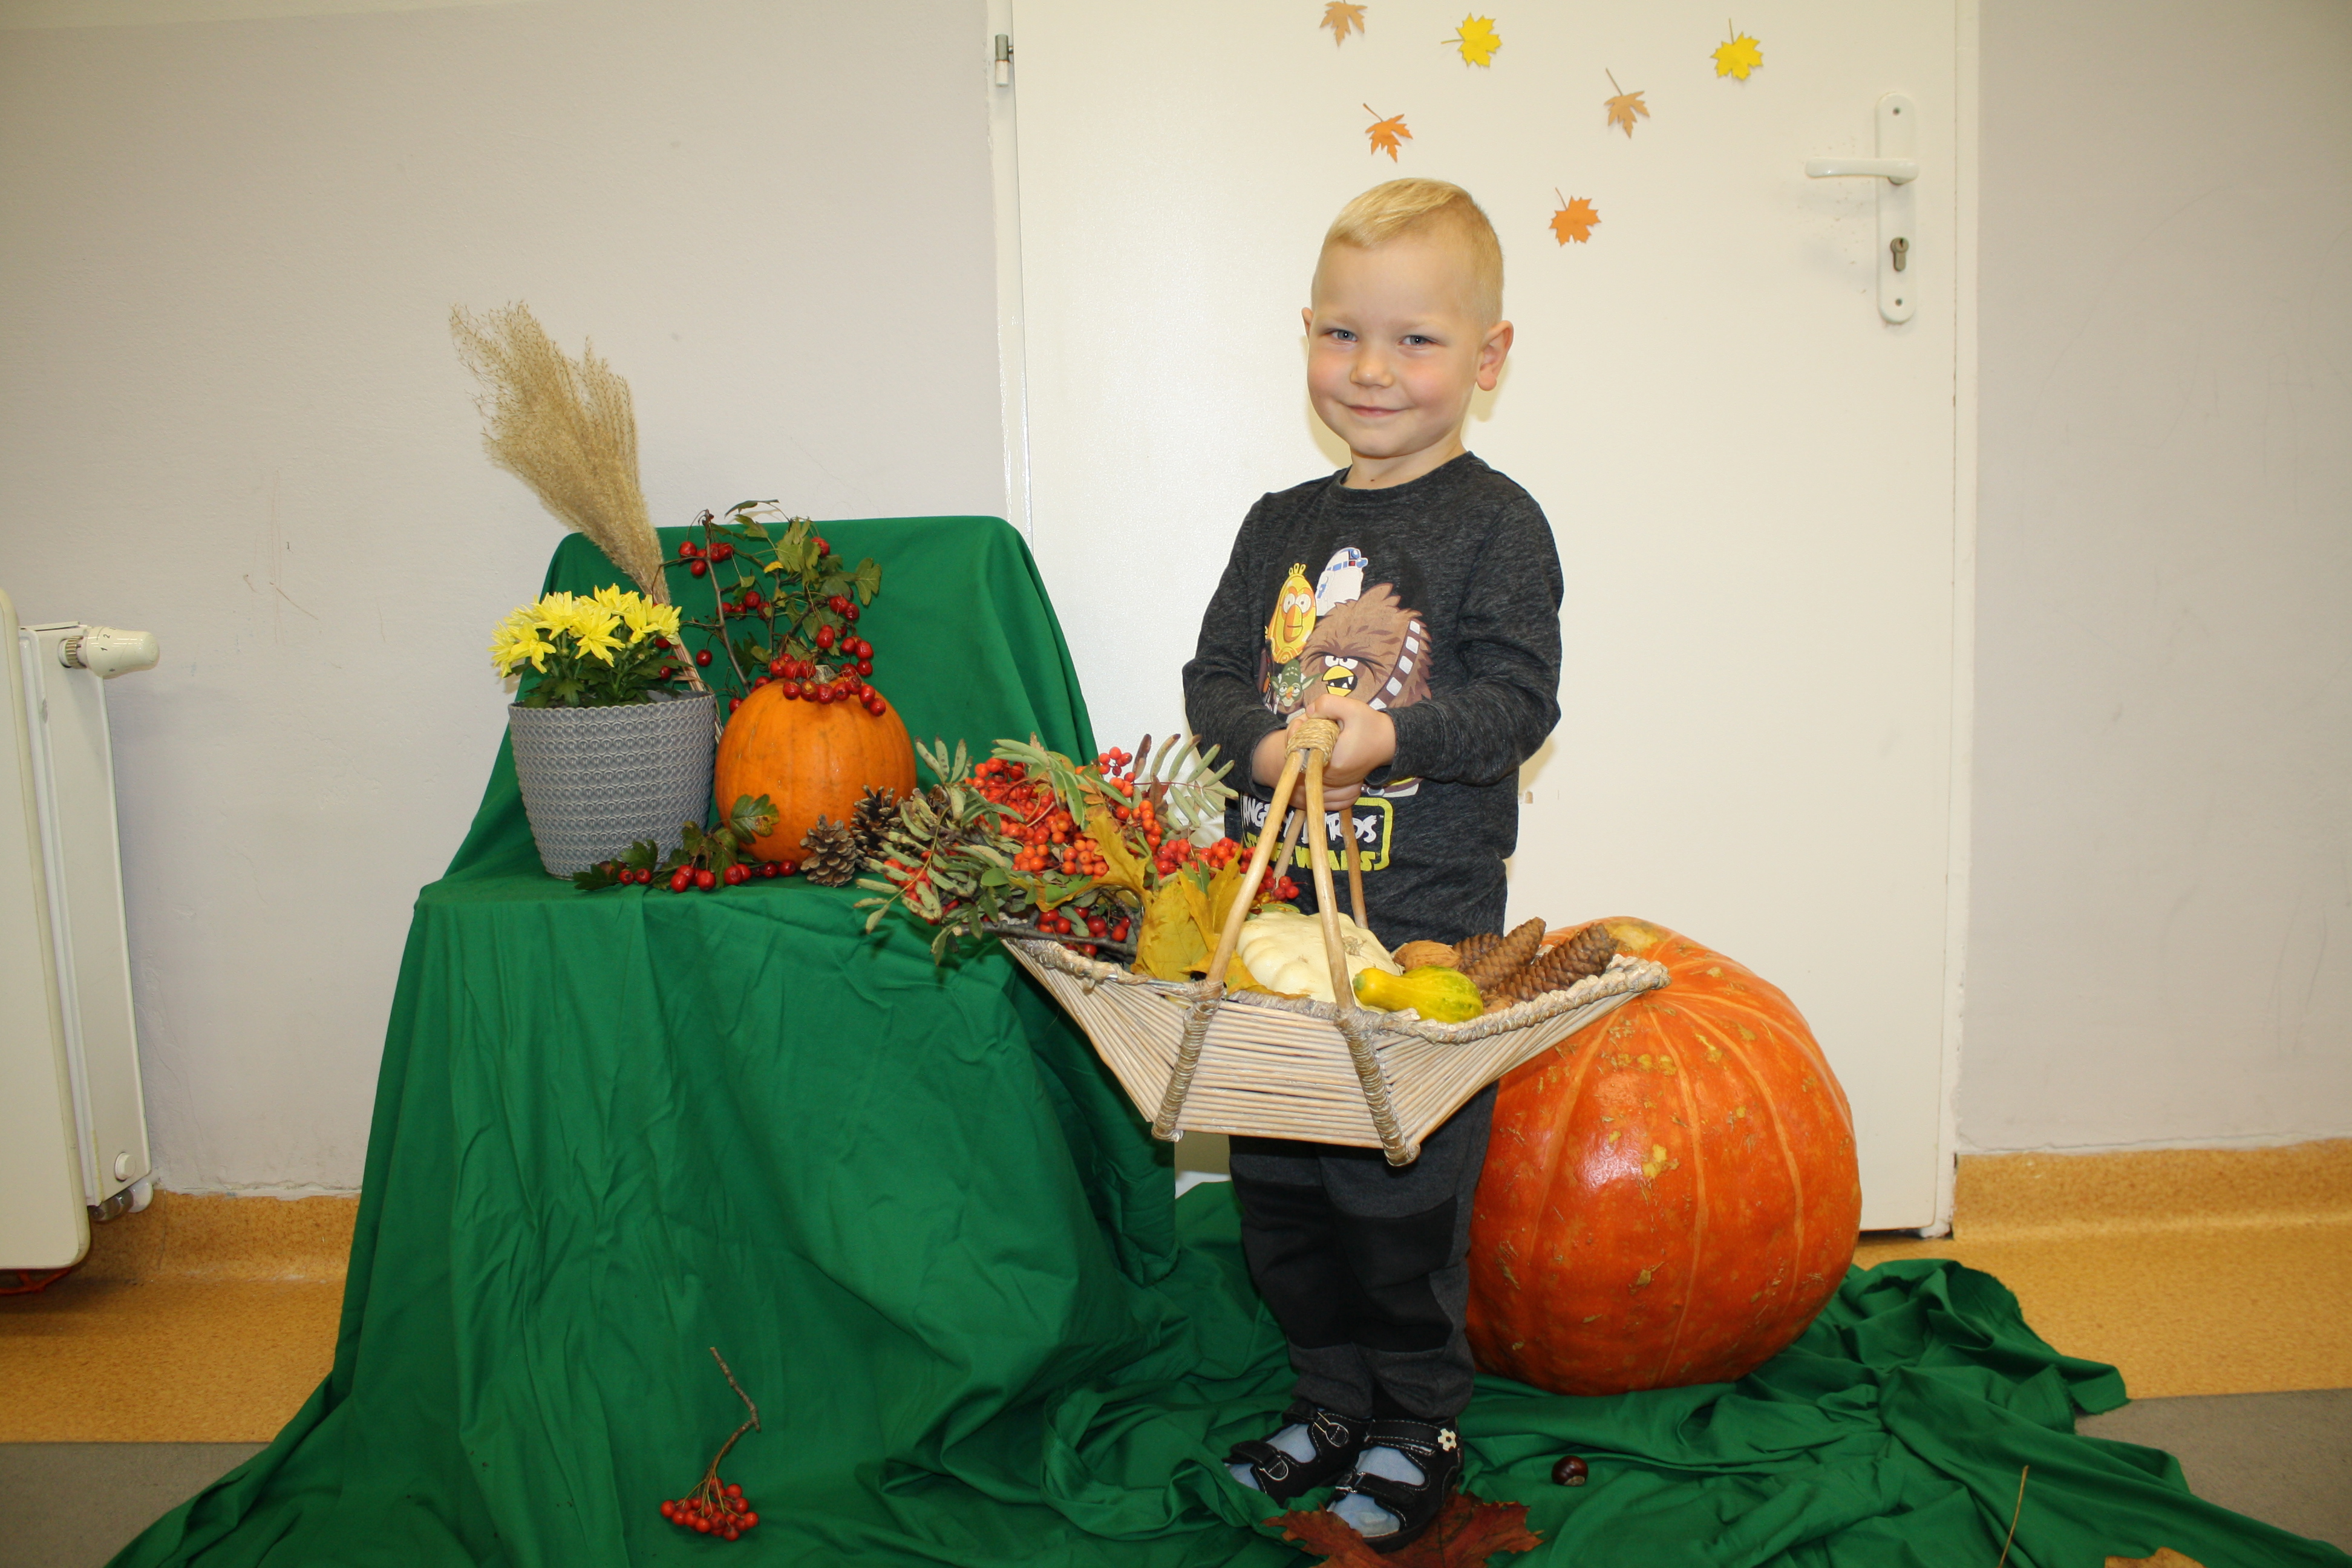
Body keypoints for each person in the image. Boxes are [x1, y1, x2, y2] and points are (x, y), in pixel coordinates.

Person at [1180, 178, 1565, 1552]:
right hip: (1278, 937)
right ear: (1307, 335)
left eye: (1416, 340)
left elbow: (1519, 702)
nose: (1373, 370)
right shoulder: (1276, 523)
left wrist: (1386, 736)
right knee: (1284, 1197)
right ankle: (1331, 1401)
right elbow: (1214, 678)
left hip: (1420, 942)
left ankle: (1419, 1424)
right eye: (1343, 334)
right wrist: (1265, 744)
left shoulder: (1499, 525)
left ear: (1489, 356)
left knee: (1396, 1204)